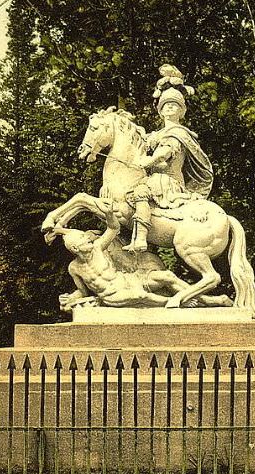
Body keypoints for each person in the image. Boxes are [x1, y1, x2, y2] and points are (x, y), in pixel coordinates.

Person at [57, 201, 232, 309]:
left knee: (167, 276)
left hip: (130, 279)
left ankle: (204, 299)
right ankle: (201, 301)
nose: (87, 237)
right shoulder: (74, 268)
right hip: (114, 294)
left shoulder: (97, 248)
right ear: (75, 248)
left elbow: (113, 228)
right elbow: (81, 290)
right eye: (83, 238)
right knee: (141, 296)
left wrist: (110, 214)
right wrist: (71, 297)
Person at [122, 65, 214, 252]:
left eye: (175, 105)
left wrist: (151, 161)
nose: (170, 108)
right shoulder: (156, 134)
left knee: (140, 193)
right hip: (154, 179)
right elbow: (140, 144)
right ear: (160, 110)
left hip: (168, 182)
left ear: (182, 111)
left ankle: (140, 239)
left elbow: (167, 151)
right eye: (166, 105)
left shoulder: (179, 132)